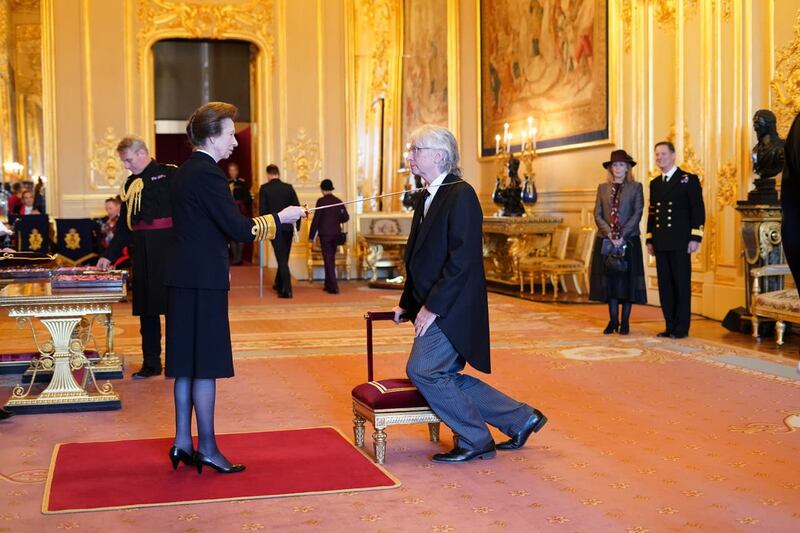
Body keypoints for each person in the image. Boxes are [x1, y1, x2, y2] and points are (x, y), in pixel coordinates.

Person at [393, 125, 547, 463]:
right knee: (442, 374)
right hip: (436, 302)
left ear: (440, 155)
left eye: (416, 150)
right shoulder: (429, 193)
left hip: (452, 307)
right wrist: (407, 302)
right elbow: (421, 254)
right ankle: (520, 418)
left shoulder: (460, 193)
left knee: (425, 371)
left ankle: (476, 438)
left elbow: (462, 260)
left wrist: (431, 307)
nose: (410, 156)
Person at [166, 101, 305, 474]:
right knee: (205, 365)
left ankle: (182, 442)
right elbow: (239, 229)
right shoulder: (209, 175)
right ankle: (208, 447)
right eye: (230, 134)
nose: (235, 142)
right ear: (212, 136)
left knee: (185, 366)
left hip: (181, 278)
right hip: (204, 282)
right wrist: (282, 217)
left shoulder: (182, 173)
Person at [98, 136, 176, 379]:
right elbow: (124, 227)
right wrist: (108, 256)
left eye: (128, 160)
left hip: (168, 250)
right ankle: (151, 363)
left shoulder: (171, 174)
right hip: (140, 252)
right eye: (124, 161)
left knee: (174, 311)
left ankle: (176, 363)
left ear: (143, 153)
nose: (126, 166)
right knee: (146, 311)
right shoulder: (131, 184)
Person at [645, 141, 705, 339]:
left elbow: (697, 210)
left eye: (663, 154)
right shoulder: (655, 183)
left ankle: (681, 328)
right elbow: (652, 213)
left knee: (681, 284)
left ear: (673, 156)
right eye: (657, 155)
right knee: (665, 286)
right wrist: (649, 239)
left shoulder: (688, 179)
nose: (659, 158)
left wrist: (695, 237)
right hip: (661, 242)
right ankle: (669, 325)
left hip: (680, 242)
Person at [588, 149, 647, 334]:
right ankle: (613, 320)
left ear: (627, 167)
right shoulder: (602, 188)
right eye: (614, 165)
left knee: (627, 281)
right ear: (610, 168)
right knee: (611, 282)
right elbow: (597, 214)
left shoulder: (636, 187)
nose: (618, 168)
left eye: (621, 164)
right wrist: (610, 234)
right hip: (606, 241)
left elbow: (637, 213)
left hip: (629, 240)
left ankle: (625, 322)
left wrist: (622, 235)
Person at [258, 164, 300, 298]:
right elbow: (297, 208)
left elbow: (263, 211)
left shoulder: (265, 188)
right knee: (283, 257)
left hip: (274, 228)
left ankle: (287, 290)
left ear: (268, 174)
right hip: (288, 228)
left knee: (281, 259)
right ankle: (278, 283)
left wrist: (263, 228)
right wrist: (296, 228)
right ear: (278, 173)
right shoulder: (288, 188)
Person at [308, 178, 349, 294]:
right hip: (336, 235)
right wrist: (338, 217)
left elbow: (316, 220)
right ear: (331, 189)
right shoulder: (338, 201)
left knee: (328, 259)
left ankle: (334, 287)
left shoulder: (321, 201)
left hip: (325, 235)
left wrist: (311, 236)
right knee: (330, 259)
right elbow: (346, 218)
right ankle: (328, 284)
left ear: (322, 189)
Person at [227, 162, 252, 265]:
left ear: (237, 171)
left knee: (240, 232)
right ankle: (235, 258)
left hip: (240, 210)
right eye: (230, 170)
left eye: (234, 170)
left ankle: (239, 258)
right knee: (231, 234)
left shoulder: (242, 183)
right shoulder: (226, 182)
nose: (232, 172)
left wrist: (243, 206)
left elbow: (248, 197)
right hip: (229, 210)